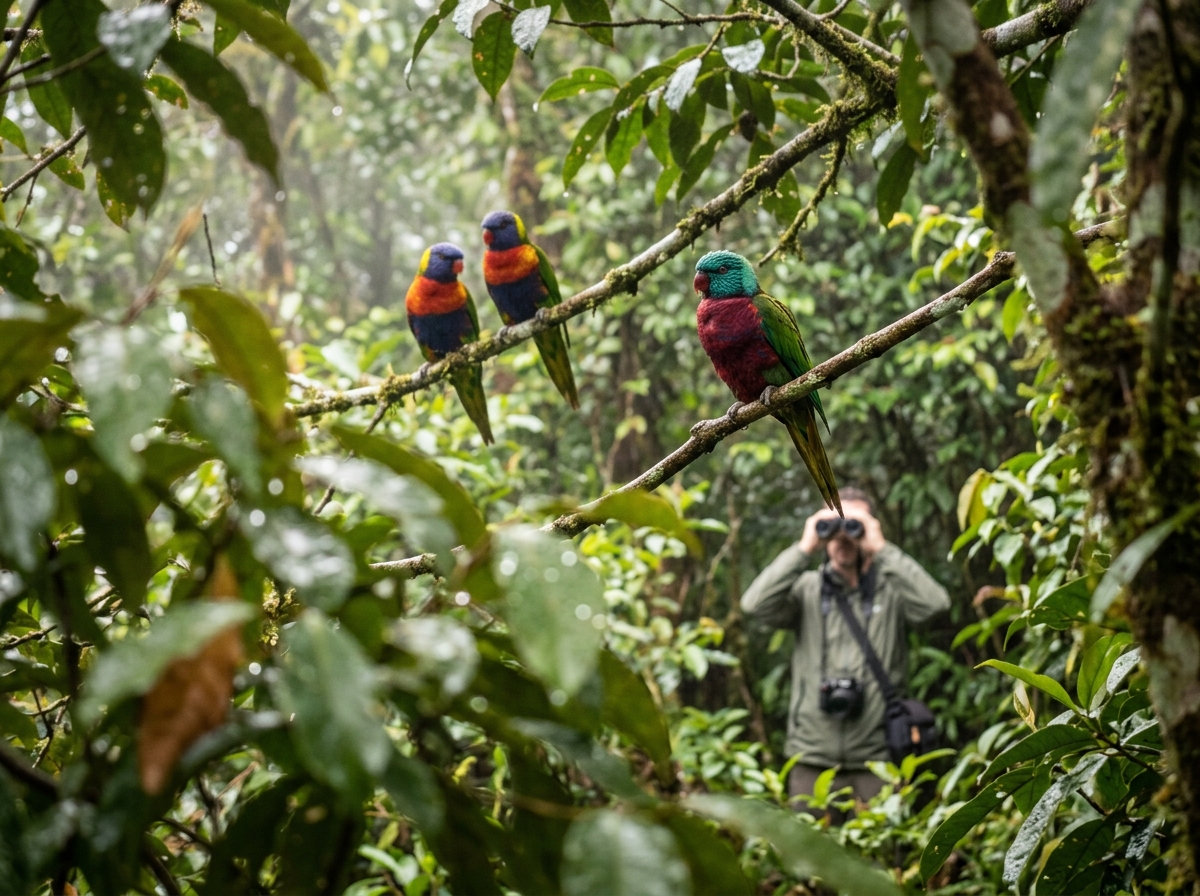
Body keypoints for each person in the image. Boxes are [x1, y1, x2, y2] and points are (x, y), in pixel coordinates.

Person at [741, 487, 950, 821]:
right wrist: (804, 547)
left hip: (878, 760)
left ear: (869, 528)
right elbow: (754, 604)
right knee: (813, 868)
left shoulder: (892, 590)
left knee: (879, 865)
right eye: (832, 525)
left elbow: (936, 604)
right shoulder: (807, 591)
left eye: (852, 525)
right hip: (812, 759)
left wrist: (880, 548)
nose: (843, 536)